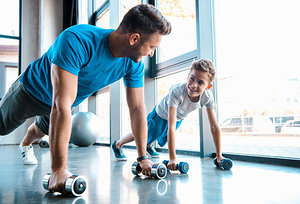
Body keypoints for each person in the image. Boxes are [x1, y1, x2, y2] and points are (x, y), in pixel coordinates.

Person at [0, 4, 171, 193]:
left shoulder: (133, 64)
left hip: (60, 103)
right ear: (134, 39)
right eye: (152, 47)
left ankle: (25, 144)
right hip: (30, 92)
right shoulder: (77, 40)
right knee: (2, 127)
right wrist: (59, 171)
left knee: (41, 130)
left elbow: (137, 109)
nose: (151, 53)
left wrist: (142, 157)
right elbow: (61, 105)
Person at [112, 59, 226, 169]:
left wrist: (219, 155)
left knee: (158, 136)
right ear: (188, 76)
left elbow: (214, 126)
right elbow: (170, 126)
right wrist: (173, 158)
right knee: (142, 134)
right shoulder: (177, 92)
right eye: (192, 79)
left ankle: (149, 145)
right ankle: (118, 144)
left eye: (200, 82)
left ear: (208, 86)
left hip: (178, 118)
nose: (194, 85)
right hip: (160, 115)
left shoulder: (207, 97)